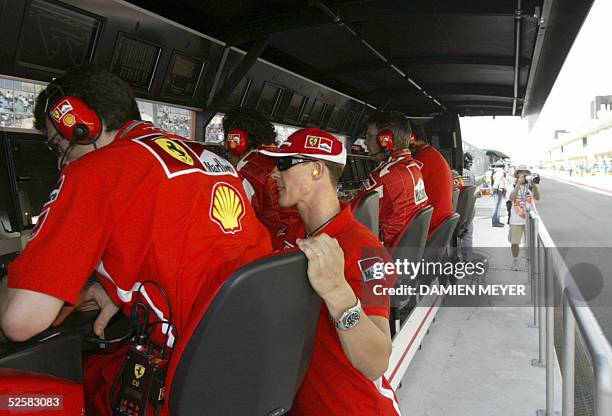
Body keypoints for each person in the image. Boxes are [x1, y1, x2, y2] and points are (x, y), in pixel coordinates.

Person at [0, 64, 272, 415]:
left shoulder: (93, 171)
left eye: (57, 146)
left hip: (179, 379)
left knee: (53, 391)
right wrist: (120, 287)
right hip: (250, 364)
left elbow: (21, 321)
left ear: (83, 127)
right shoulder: (214, 160)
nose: (59, 162)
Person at [262, 128, 401, 415]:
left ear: (316, 169)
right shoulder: (294, 233)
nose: (274, 174)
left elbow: (376, 362)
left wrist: (338, 293)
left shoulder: (368, 250)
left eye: (285, 164)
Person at [222, 108, 300, 245]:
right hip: (296, 246)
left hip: (269, 253)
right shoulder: (288, 159)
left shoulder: (246, 170)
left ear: (236, 141)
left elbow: (234, 226)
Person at [354, 112, 429, 247]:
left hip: (384, 254)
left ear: (386, 140)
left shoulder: (383, 176)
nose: (365, 142)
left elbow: (352, 213)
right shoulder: (414, 168)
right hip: (405, 252)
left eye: (370, 136)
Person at [409, 121, 454, 236]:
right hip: (440, 226)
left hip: (430, 228)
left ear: (411, 139)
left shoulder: (421, 161)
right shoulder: (433, 155)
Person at [508, 165, 540, 270]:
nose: (523, 174)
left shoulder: (530, 185)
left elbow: (537, 197)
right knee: (515, 242)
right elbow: (512, 198)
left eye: (525, 172)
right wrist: (518, 183)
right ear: (516, 174)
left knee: (531, 243)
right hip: (516, 219)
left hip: (529, 219)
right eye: (520, 172)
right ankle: (515, 261)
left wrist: (534, 186)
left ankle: (530, 263)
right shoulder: (512, 184)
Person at [459, 152, 477, 260]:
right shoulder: (470, 174)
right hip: (469, 208)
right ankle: (467, 258)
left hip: (457, 208)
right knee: (468, 233)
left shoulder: (456, 173)